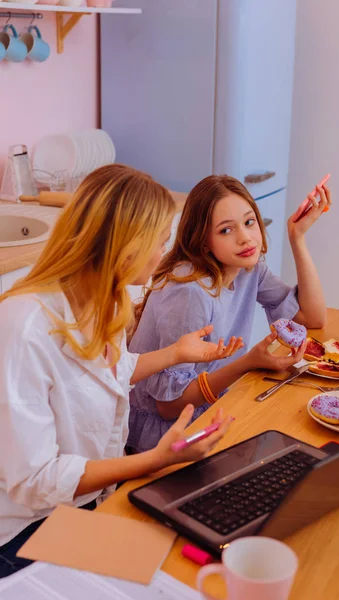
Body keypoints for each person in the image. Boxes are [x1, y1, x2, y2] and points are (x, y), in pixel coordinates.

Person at [0, 165, 239, 578]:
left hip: (87, 502)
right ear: (127, 245)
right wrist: (154, 460)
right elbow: (35, 479)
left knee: (194, 559)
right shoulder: (24, 328)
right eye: (159, 241)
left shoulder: (103, 297)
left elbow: (105, 373)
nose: (164, 254)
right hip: (27, 529)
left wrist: (174, 354)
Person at [127, 174, 330, 453]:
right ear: (203, 241)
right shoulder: (190, 292)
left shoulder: (248, 269)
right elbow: (168, 407)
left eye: (249, 222)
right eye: (226, 230)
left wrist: (298, 237)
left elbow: (313, 317)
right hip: (165, 438)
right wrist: (247, 363)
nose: (245, 238)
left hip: (214, 408)